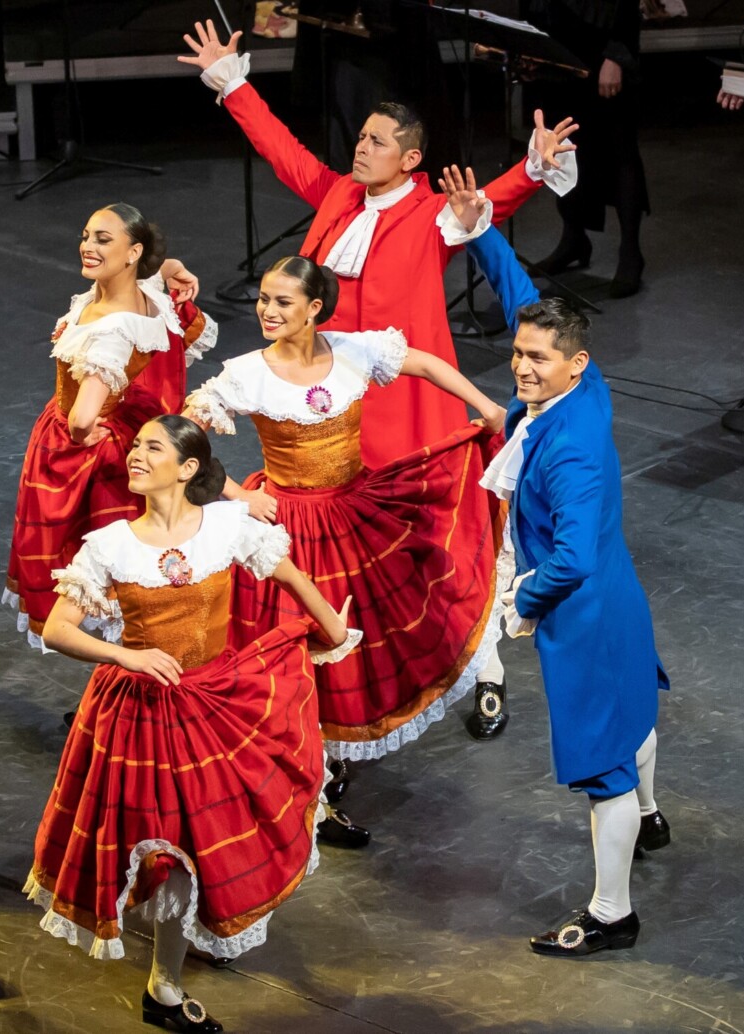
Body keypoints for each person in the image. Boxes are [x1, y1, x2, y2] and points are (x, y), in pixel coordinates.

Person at [26, 415, 356, 1031]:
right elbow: (57, 629)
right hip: (142, 713)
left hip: (216, 701)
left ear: (188, 468)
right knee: (162, 848)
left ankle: (166, 981)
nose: (135, 455)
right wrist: (127, 654)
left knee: (202, 839)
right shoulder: (111, 545)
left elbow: (288, 574)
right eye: (134, 447)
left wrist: (333, 630)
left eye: (152, 447)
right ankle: (166, 985)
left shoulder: (226, 527)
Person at [178, 18, 577, 469]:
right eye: (363, 137)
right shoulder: (339, 191)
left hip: (397, 388)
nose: (362, 148)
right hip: (323, 369)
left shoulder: (432, 213)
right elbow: (281, 150)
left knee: (403, 488)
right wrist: (234, 85)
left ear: (410, 159)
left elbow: (490, 202)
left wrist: (531, 169)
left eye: (377, 142)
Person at [184, 256, 506, 785]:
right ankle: (310, 762)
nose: (266, 309)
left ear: (314, 309)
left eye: (281, 301)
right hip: (288, 523)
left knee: (369, 624)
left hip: (354, 511)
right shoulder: (248, 374)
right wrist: (238, 495)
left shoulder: (353, 350)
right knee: (300, 637)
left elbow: (424, 364)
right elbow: (183, 437)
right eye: (264, 298)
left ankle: (334, 752)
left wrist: (487, 407)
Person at [443, 171, 672, 897]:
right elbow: (527, 308)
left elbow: (568, 557)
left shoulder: (571, 448)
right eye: (519, 355)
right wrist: (482, 232)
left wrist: (520, 600)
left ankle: (611, 914)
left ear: (573, 365)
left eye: (537, 360)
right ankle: (653, 815)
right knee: (634, 720)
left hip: (584, 614)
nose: (521, 367)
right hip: (617, 597)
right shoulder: (584, 381)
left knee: (600, 764)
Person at [3, 204, 213, 648]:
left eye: (102, 239)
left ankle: (126, 676)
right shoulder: (148, 294)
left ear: (132, 252)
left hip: (89, 457)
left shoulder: (111, 328)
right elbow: (159, 273)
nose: (87, 246)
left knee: (92, 567)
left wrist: (78, 432)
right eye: (86, 236)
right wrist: (173, 265)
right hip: (128, 437)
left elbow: (82, 414)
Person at [523, 0, 649, 297]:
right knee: (563, 149)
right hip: (556, 46)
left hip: (602, 49)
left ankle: (631, 252)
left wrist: (617, 56)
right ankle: (574, 239)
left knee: (619, 153)